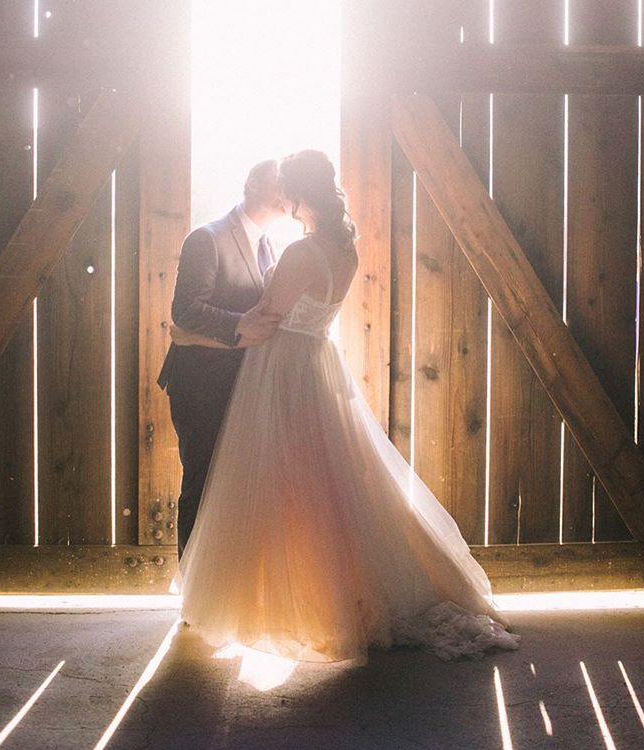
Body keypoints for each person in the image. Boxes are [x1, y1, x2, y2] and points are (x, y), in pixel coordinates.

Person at [170, 150, 520, 664]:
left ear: (296, 196)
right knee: (329, 487)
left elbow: (265, 317)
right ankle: (337, 590)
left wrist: (188, 334)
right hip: (316, 363)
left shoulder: (298, 253)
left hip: (281, 372)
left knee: (272, 488)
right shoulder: (345, 250)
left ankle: (279, 601)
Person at [157, 160, 285, 559]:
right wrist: (241, 325)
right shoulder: (207, 238)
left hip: (240, 382)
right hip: (200, 381)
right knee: (201, 480)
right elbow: (185, 311)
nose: (285, 191)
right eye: (278, 182)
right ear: (251, 184)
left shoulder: (268, 244)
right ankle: (192, 586)